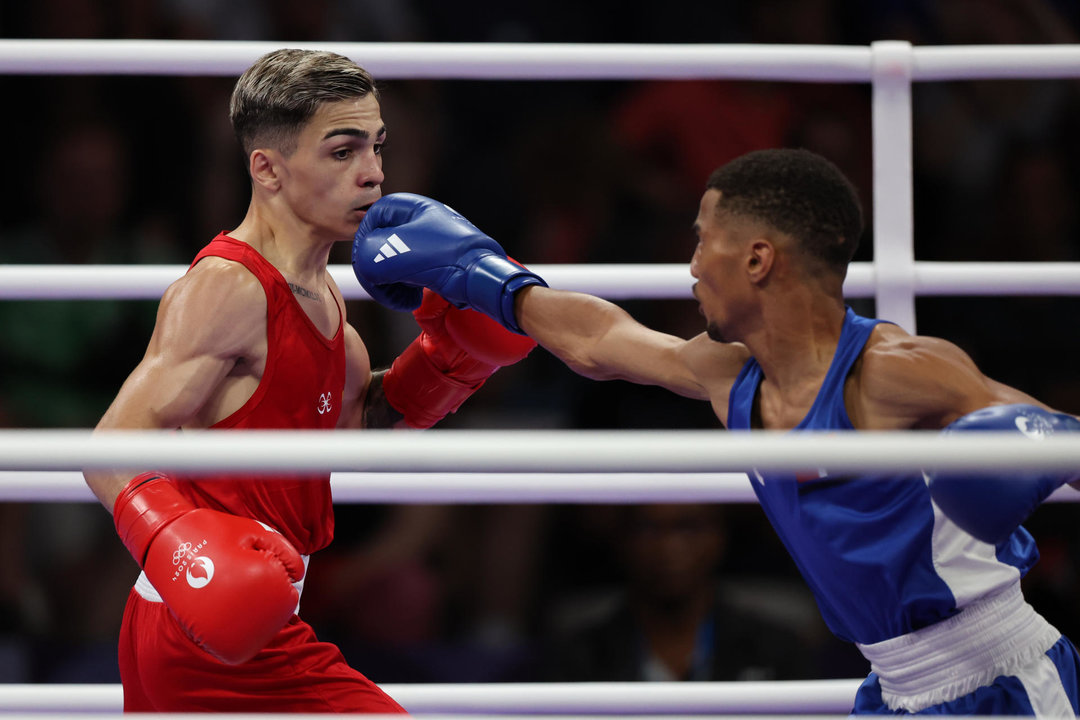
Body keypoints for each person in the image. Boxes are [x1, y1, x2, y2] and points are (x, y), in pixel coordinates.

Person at [351, 148, 1080, 715]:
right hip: (895, 686)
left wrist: (1028, 447)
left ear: (758, 259)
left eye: (704, 244)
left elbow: (1064, 439)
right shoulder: (731, 375)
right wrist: (486, 278)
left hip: (1004, 678)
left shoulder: (893, 371)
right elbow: (603, 340)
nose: (692, 267)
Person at [83, 48, 535, 713]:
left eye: (377, 148)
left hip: (251, 623)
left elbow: (353, 424)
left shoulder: (328, 306)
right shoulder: (228, 288)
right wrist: (193, 561)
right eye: (343, 152)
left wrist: (453, 358)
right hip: (202, 626)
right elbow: (111, 448)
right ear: (266, 167)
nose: (375, 175)